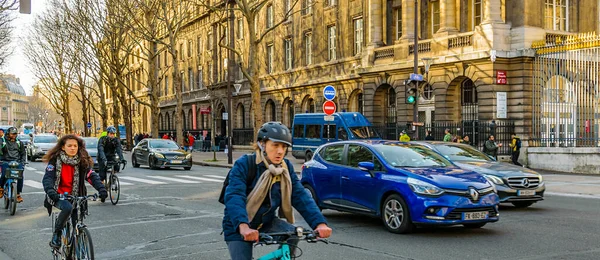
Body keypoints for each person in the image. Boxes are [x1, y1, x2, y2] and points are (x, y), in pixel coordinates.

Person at [222, 122, 332, 260]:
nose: (280, 151)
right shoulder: (245, 164)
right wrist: (243, 227)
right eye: (275, 145)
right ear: (263, 144)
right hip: (238, 225)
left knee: (293, 234)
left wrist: (319, 223)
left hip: (267, 222)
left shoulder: (286, 168)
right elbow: (234, 196)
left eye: (284, 146)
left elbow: (300, 195)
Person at [42, 135, 108, 249]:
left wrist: (101, 188)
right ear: (63, 147)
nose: (73, 148)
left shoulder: (82, 161)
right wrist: (51, 191)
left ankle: (74, 246)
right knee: (67, 208)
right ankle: (57, 234)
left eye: (75, 146)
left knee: (76, 222)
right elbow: (48, 178)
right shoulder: (55, 161)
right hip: (58, 196)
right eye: (69, 146)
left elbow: (91, 175)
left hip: (76, 195)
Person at [97, 126, 126, 199]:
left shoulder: (116, 140)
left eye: (113, 134)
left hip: (111, 156)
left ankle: (112, 179)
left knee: (116, 166)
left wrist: (122, 159)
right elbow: (101, 150)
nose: (112, 135)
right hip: (102, 156)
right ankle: (102, 189)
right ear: (107, 133)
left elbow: (119, 149)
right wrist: (104, 159)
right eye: (111, 134)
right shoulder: (102, 139)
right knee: (102, 175)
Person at [0, 127, 26, 202]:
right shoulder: (2, 141)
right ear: (8, 134)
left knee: (20, 175)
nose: (14, 135)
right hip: (5, 161)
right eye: (12, 134)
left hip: (17, 162)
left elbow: (23, 153)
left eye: (15, 134)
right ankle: (1, 188)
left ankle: (18, 194)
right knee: (4, 173)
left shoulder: (19, 142)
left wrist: (23, 162)